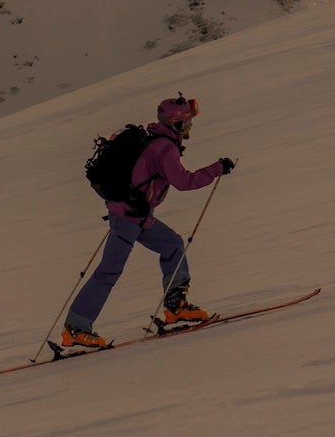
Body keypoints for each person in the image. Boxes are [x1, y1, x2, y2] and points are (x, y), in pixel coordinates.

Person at [60, 94, 235, 349]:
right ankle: (75, 328)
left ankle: (176, 307)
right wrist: (218, 168)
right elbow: (184, 182)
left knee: (173, 244)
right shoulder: (164, 148)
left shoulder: (158, 141)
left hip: (137, 215)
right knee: (109, 271)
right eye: (187, 121)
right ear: (176, 122)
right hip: (128, 217)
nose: (191, 126)